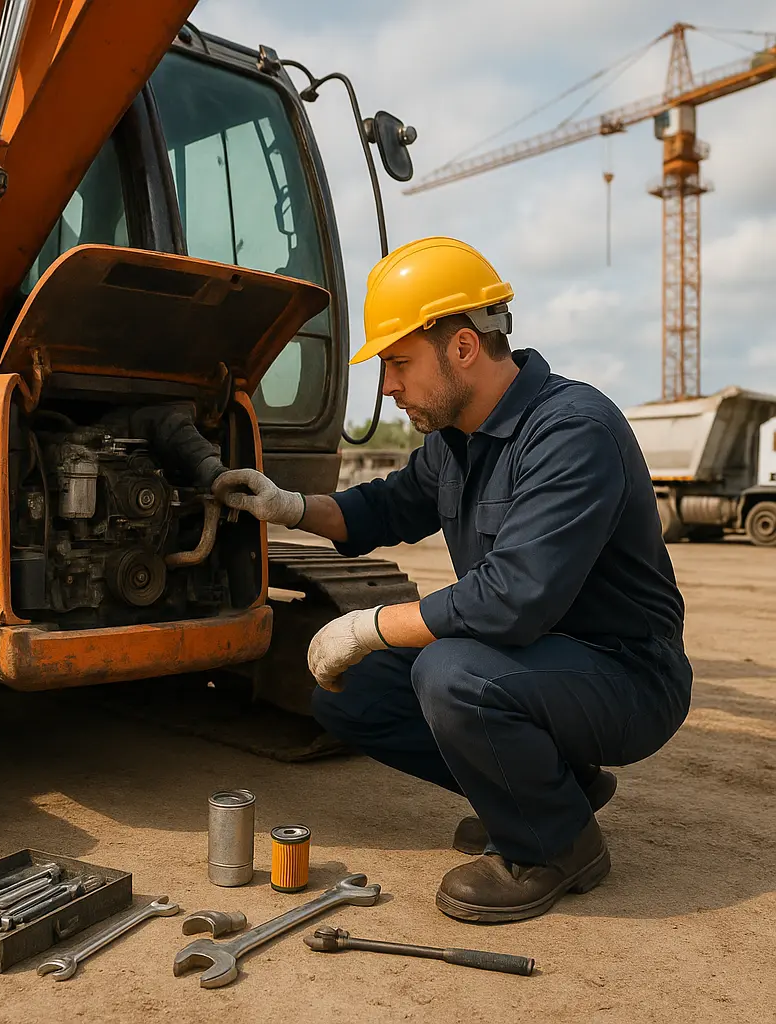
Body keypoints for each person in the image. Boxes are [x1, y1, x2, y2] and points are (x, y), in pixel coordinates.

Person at [212, 237, 693, 923]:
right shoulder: (454, 440)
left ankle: (553, 849)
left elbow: (511, 599)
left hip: (625, 677)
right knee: (353, 696)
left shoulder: (572, 431)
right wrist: (288, 506)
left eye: (398, 362)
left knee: (452, 673)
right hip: (537, 664)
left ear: (463, 346)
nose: (388, 386)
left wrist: (369, 625)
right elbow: (382, 508)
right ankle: (556, 793)